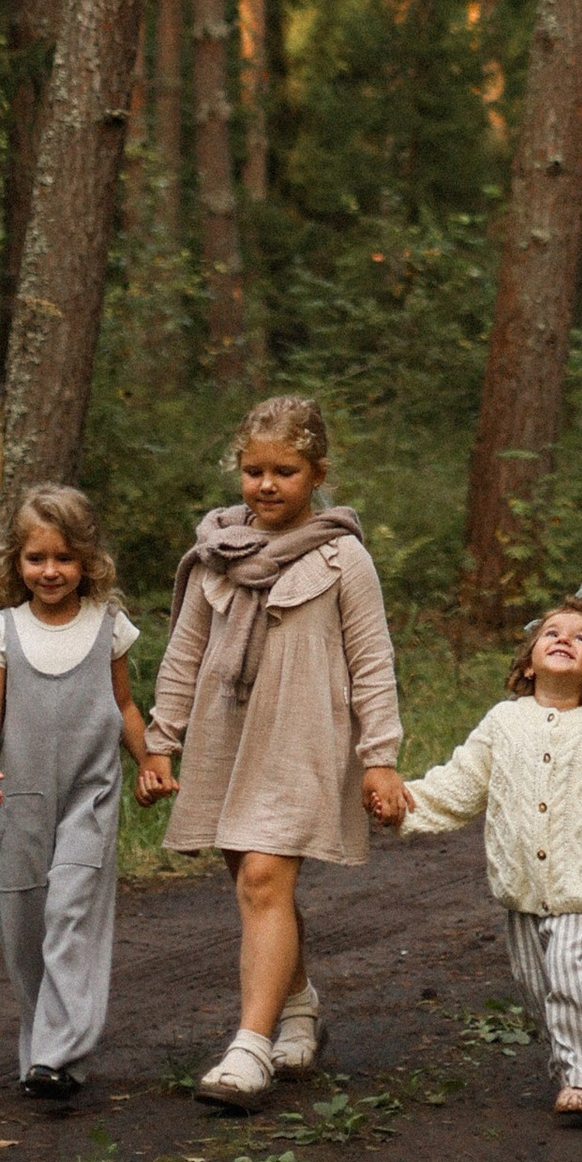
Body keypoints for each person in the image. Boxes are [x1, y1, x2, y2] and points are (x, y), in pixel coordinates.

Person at [138, 391, 409, 1109]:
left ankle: (247, 1049)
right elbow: (184, 652)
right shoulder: (214, 553)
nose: (266, 484)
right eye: (253, 469)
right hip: (227, 734)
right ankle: (297, 1008)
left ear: (316, 474)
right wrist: (161, 743)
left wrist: (379, 754)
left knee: (263, 878)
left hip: (301, 735)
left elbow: (372, 660)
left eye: (284, 470)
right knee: (252, 881)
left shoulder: (343, 557)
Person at [399, 588, 582, 1127]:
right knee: (538, 988)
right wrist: (402, 805)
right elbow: (460, 785)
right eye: (551, 633)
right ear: (528, 661)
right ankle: (567, 1065)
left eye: (580, 638)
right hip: (522, 890)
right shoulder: (503, 723)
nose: (563, 640)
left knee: (572, 972)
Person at [0, 484, 166, 1101]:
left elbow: (126, 705)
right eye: (35, 559)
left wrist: (150, 761)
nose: (49, 571)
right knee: (24, 923)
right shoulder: (3, 630)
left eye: (63, 558)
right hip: (20, 801)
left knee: (69, 914)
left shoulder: (108, 626)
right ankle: (45, 1052)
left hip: (90, 797)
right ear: (16, 563)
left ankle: (60, 1051)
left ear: (86, 560)